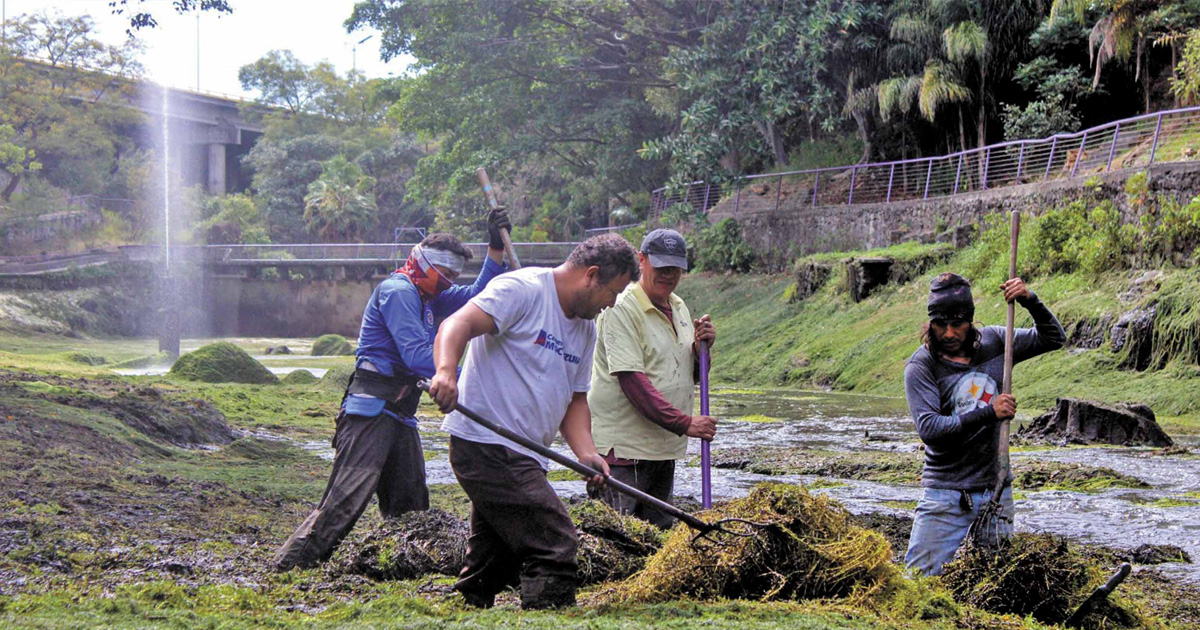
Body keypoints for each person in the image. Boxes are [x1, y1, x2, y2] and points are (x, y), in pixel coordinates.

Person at [272, 210, 512, 571]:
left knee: (411, 502)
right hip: (370, 410)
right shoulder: (399, 292)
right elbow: (417, 356)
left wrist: (495, 248)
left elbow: (478, 294)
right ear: (424, 264)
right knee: (346, 500)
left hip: (401, 414)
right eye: (445, 275)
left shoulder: (430, 296)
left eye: (453, 277)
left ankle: (405, 567)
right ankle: (288, 568)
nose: (450, 283)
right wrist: (474, 378)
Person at [427, 233, 640, 610]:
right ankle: (550, 614)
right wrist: (446, 372)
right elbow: (456, 325)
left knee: (495, 554)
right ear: (591, 275)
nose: (612, 304)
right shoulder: (521, 290)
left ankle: (468, 606)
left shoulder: (585, 329)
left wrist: (586, 453)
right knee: (554, 542)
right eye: (614, 293)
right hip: (486, 444)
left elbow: (575, 399)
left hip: (528, 455)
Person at [904, 272, 1065, 576]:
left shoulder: (996, 341)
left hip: (996, 488)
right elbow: (931, 430)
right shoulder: (921, 366)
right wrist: (990, 413)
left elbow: (1053, 338)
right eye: (940, 325)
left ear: (971, 321)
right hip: (946, 492)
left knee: (997, 580)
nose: (949, 334)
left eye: (957, 324)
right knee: (919, 581)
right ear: (930, 324)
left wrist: (1030, 301)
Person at [587, 228, 718, 528]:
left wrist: (702, 350)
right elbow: (634, 384)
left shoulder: (680, 307)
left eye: (675, 268)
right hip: (624, 453)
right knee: (616, 540)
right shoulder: (621, 308)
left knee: (654, 542)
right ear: (641, 261)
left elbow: (691, 376)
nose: (668, 275)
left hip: (662, 449)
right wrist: (686, 424)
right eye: (660, 266)